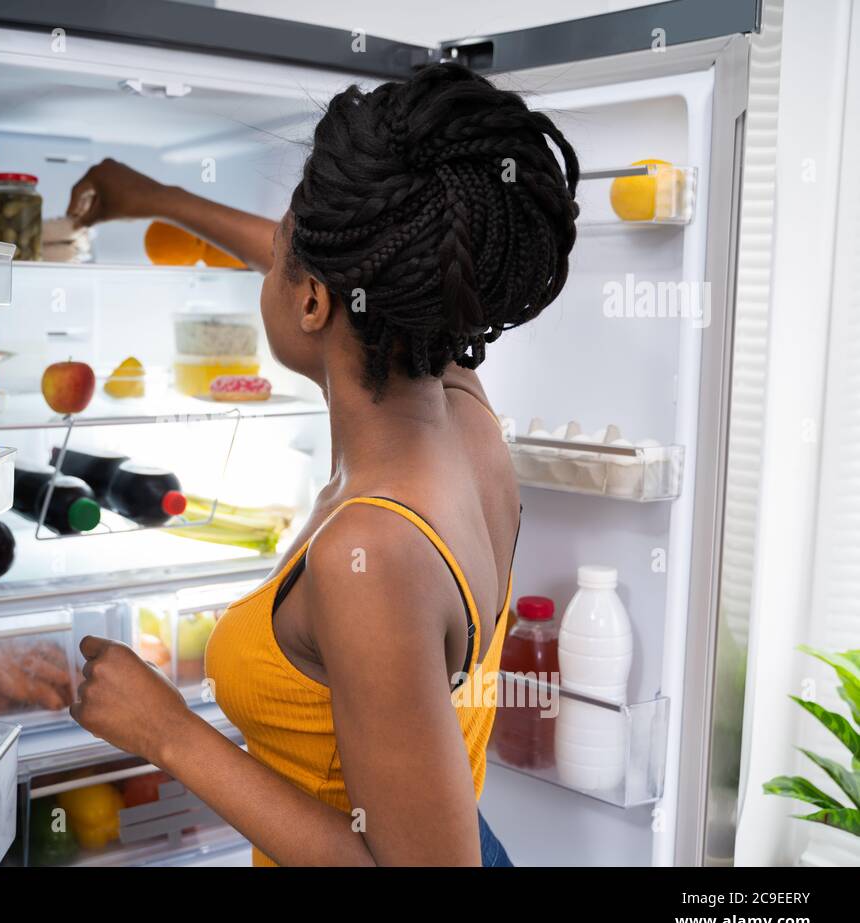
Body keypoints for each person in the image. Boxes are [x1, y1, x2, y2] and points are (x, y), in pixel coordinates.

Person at [66, 60, 578, 866]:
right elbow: (358, 256)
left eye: (278, 254)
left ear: (312, 300)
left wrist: (165, 732)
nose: (266, 260)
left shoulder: (367, 559)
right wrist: (158, 200)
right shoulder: (465, 408)